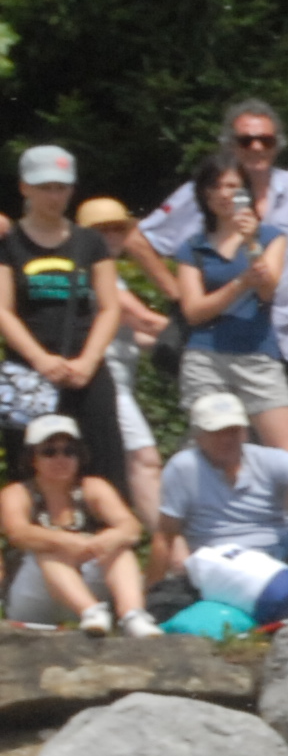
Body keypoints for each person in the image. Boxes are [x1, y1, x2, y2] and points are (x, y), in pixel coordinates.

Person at [133, 103, 288, 447]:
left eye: (266, 140)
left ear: (278, 144)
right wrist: (180, 296)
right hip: (224, 347)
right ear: (229, 144)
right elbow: (139, 240)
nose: (256, 147)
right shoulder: (203, 193)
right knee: (228, 451)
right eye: (246, 139)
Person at [162, 156, 288, 454]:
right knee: (215, 454)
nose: (225, 194)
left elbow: (268, 290)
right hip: (206, 358)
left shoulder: (270, 237)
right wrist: (241, 283)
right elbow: (194, 311)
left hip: (257, 354)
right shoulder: (193, 247)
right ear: (205, 193)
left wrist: (251, 242)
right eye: (216, 186)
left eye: (233, 186)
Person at [3, 144, 126, 461]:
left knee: (103, 460)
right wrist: (40, 359)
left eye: (61, 188)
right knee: (29, 466)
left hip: (86, 367)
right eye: (45, 188)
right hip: (28, 372)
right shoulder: (9, 244)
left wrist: (89, 360)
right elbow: (3, 309)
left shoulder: (90, 241)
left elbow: (110, 307)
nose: (54, 197)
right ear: (24, 187)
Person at [154, 390, 288, 626]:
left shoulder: (266, 459)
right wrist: (149, 593)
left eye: (233, 431)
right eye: (217, 432)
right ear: (199, 436)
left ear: (245, 432)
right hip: (223, 564)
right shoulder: (183, 468)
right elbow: (166, 534)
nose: (226, 439)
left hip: (279, 553)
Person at [2, 415, 157, 634]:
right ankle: (90, 610)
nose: (61, 458)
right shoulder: (17, 493)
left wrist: (104, 541)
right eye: (49, 452)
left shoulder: (93, 487)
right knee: (48, 549)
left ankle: (133, 615)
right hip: (34, 593)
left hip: (88, 576)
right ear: (32, 459)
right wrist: (64, 540)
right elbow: (18, 533)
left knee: (120, 549)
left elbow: (130, 527)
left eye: (69, 451)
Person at [77, 196, 169, 523]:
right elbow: (143, 320)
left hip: (116, 383)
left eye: (118, 228)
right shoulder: (95, 273)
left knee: (105, 466)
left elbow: (138, 335)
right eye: (102, 230)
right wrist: (204, 331)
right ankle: (169, 550)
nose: (112, 236)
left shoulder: (109, 273)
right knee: (144, 460)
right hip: (107, 383)